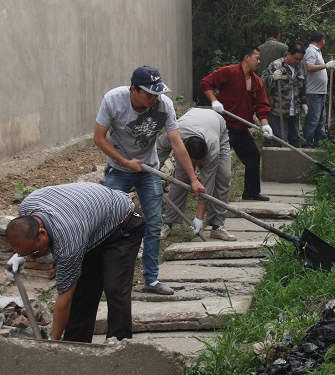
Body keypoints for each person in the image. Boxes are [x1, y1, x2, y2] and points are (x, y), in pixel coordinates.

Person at [94, 65, 205, 296]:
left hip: (148, 169)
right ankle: (106, 281)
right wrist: (125, 162)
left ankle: (151, 280)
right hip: (119, 168)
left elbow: (176, 143)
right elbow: (99, 138)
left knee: (153, 223)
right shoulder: (113, 100)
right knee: (110, 223)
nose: (154, 99)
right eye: (149, 94)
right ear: (133, 89)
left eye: (157, 93)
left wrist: (194, 179)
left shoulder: (164, 105)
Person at [5, 183, 145, 342]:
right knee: (82, 293)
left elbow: (65, 298)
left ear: (42, 232)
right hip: (90, 228)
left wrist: (53, 342)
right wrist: (20, 254)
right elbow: (24, 235)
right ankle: (75, 346)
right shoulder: (27, 207)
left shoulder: (68, 242)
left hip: (123, 224)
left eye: (34, 252)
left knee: (115, 289)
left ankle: (118, 348)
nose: (34, 258)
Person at [201, 46, 273, 202]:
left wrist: (265, 124)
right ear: (247, 57)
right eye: (257, 58)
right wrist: (214, 101)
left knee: (253, 156)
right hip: (225, 126)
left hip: (241, 128)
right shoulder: (229, 71)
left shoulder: (256, 81)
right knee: (217, 158)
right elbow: (206, 83)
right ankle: (208, 192)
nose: (259, 62)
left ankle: (251, 192)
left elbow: (262, 106)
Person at [156, 108, 236, 241]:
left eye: (200, 163)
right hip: (190, 123)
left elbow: (205, 185)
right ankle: (168, 224)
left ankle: (217, 226)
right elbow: (158, 152)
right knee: (180, 180)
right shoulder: (173, 135)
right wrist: (150, 172)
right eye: (194, 163)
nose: (199, 167)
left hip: (218, 128)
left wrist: (199, 217)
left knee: (223, 177)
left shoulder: (212, 149)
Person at [260, 41, 307, 147]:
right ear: (289, 54)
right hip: (278, 111)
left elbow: (303, 86)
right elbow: (261, 82)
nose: (298, 61)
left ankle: (295, 158)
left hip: (294, 111)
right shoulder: (276, 65)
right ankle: (278, 158)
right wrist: (272, 78)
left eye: (300, 59)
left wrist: (304, 102)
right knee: (280, 140)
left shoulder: (300, 67)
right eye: (296, 59)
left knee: (295, 139)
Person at [302, 30, 335, 148]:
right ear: (322, 39)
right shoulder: (310, 51)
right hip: (313, 92)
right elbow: (309, 67)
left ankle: (319, 143)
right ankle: (308, 144)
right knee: (313, 119)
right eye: (324, 39)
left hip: (320, 92)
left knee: (321, 120)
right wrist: (326, 65)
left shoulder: (317, 51)